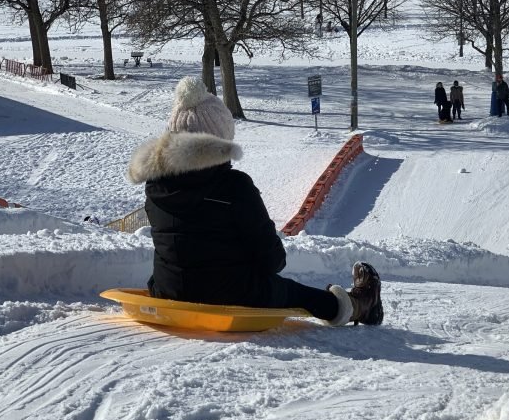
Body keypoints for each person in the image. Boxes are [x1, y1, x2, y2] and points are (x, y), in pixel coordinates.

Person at [127, 76, 383, 326]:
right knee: (293, 293)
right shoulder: (235, 187)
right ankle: (360, 305)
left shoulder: (155, 187)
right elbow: (273, 261)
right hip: (233, 295)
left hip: (168, 290)